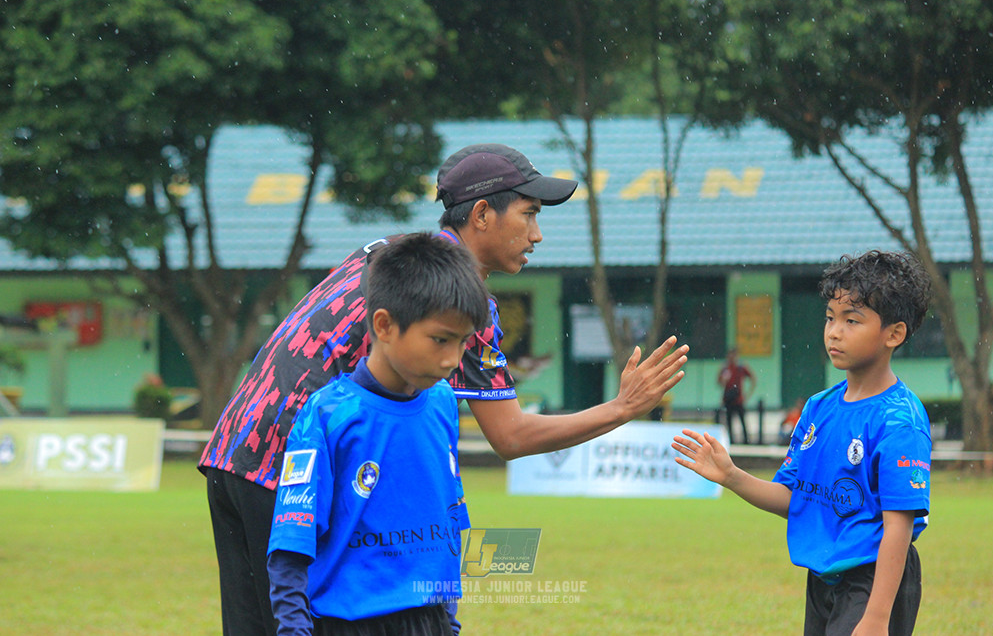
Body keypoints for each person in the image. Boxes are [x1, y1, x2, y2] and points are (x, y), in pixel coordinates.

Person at [198, 143, 690, 636]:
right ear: (481, 214)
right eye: (529, 215)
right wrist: (623, 407)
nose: (537, 235)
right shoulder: (456, 299)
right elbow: (511, 436)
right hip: (289, 478)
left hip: (232, 451)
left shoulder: (389, 253)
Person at [672, 250, 932, 636]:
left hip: (873, 580)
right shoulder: (818, 408)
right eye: (830, 317)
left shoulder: (899, 421)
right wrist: (730, 476)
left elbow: (899, 527)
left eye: (852, 320)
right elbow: (797, 499)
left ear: (894, 334)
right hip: (822, 578)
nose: (834, 331)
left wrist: (877, 616)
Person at [267, 233, 488, 636]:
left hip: (428, 620)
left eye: (462, 342)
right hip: (348, 623)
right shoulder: (328, 415)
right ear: (384, 325)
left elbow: (450, 517)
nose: (452, 359)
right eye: (440, 339)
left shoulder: (442, 404)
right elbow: (290, 544)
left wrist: (448, 620)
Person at [717, 346, 755, 444]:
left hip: (738, 399)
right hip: (728, 398)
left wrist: (748, 394)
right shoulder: (725, 368)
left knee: (742, 420)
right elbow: (719, 382)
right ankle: (731, 441)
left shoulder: (741, 368)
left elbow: (752, 379)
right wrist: (724, 380)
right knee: (729, 421)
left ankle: (746, 441)